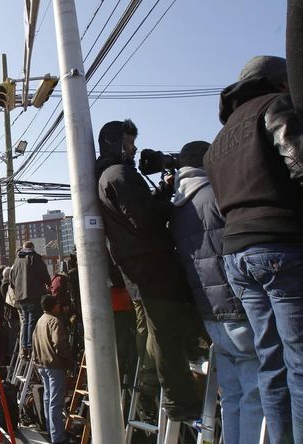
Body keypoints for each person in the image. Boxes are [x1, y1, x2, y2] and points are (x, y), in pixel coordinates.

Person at [204, 55, 303, 444]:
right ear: (280, 83)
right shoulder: (276, 108)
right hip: (281, 244)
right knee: (298, 360)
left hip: (237, 255)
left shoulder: (220, 140)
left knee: (272, 362)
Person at [95, 119, 202, 421]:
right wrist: (171, 196)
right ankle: (180, 401)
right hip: (151, 265)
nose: (134, 148)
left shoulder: (108, 175)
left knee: (162, 332)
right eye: (129, 142)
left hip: (141, 266)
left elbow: (139, 215)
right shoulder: (119, 173)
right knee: (168, 332)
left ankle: (163, 395)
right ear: (116, 143)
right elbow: (146, 219)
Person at [171, 141, 263, 443]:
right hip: (237, 306)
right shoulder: (215, 195)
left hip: (210, 311)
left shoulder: (178, 206)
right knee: (258, 393)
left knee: (233, 394)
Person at [32, 294, 72, 444]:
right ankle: (58, 437)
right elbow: (59, 344)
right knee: (55, 402)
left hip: (42, 364)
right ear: (54, 305)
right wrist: (68, 358)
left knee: (48, 399)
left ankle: (52, 431)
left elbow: (34, 340)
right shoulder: (54, 321)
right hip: (54, 365)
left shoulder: (40, 320)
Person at [10, 241, 51, 358]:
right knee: (32, 320)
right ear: (32, 248)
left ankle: (25, 346)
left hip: (20, 296)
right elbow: (43, 273)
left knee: (26, 321)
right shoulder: (34, 258)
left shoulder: (17, 261)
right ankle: (30, 345)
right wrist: (49, 283)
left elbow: (12, 279)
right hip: (33, 294)